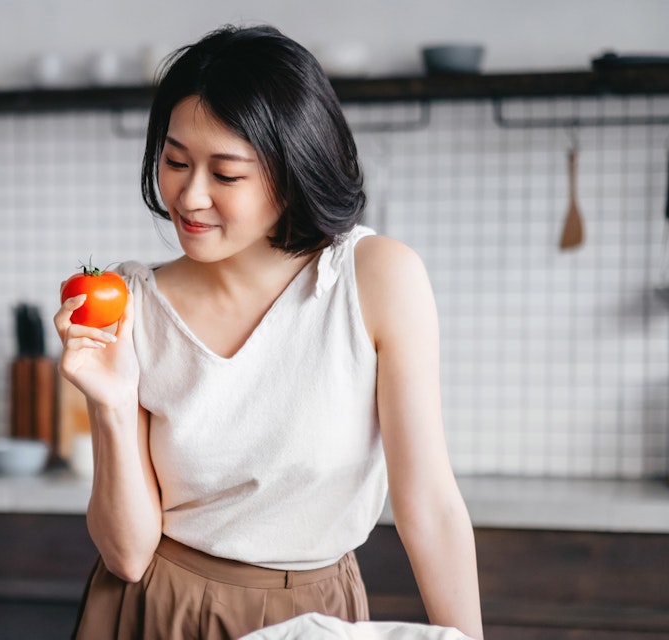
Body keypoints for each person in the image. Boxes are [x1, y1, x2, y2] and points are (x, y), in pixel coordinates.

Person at [53, 24, 484, 640]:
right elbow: (126, 555)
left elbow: (431, 507)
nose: (189, 195)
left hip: (314, 615)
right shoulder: (131, 302)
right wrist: (112, 403)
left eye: (225, 174)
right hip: (157, 609)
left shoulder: (376, 279)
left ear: (293, 170)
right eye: (175, 161)